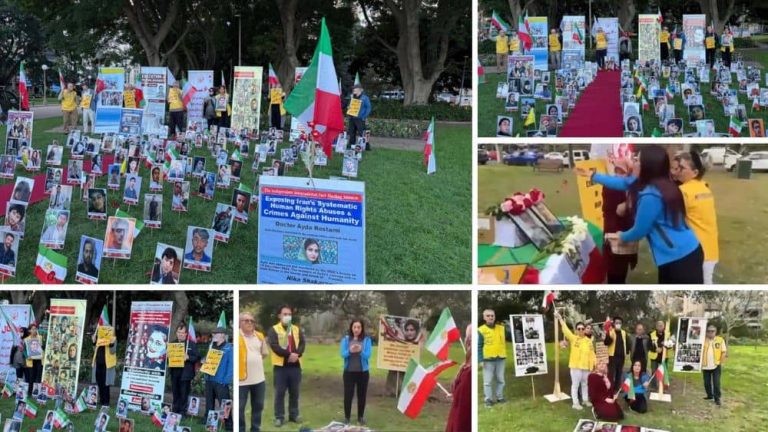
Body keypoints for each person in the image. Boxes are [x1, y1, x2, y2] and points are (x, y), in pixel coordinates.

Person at [577, 145, 704, 283]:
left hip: (681, 258)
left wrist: (621, 236)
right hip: (684, 250)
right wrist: (594, 176)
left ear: (647, 166)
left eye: (637, 160)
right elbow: (621, 182)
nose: (633, 163)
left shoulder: (651, 195)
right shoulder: (661, 182)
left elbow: (639, 230)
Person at [672, 151, 719, 284]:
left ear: (695, 172)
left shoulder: (684, 191)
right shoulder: (704, 187)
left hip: (697, 251)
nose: (677, 171)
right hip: (711, 248)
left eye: (682, 168)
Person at [267, 305, 306, 427]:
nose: (287, 316)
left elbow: (302, 343)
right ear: (279, 315)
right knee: (280, 393)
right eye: (285, 314)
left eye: (289, 314)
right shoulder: (274, 330)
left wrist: (297, 354)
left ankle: (294, 415)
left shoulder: (296, 329)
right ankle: (279, 417)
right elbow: (274, 346)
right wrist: (289, 354)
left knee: (295, 392)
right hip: (281, 367)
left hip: (295, 366)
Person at [602, 157, 637, 283]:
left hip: (626, 233)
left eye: (622, 172)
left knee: (621, 270)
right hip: (614, 232)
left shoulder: (630, 187)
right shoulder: (612, 186)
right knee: (615, 270)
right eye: (617, 171)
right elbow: (618, 210)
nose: (619, 175)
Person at [555, 311, 595, 410]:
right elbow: (565, 330)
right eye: (579, 329)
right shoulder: (573, 338)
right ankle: (575, 403)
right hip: (576, 367)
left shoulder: (589, 341)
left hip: (586, 367)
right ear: (576, 330)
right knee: (575, 385)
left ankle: (585, 400)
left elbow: (592, 354)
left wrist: (594, 365)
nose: (581, 330)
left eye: (582, 328)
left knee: (585, 384)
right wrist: (560, 319)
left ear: (585, 330)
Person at [239, 312, 269, 432]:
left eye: (252, 321)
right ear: (240, 322)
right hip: (241, 381)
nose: (250, 323)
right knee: (239, 408)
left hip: (259, 379)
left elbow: (265, 353)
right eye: (246, 320)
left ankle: (255, 429)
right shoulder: (237, 336)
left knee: (258, 406)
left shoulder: (259, 336)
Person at [340, 319, 372, 425]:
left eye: (359, 327)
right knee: (348, 395)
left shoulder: (367, 340)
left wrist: (360, 351)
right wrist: (350, 351)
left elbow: (368, 355)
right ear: (351, 328)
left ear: (362, 328)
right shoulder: (345, 339)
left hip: (363, 373)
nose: (356, 329)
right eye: (354, 327)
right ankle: (347, 418)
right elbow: (342, 354)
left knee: (362, 395)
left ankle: (360, 417)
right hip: (349, 372)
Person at [204, 325, 233, 431]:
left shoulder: (229, 348)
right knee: (209, 403)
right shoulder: (211, 346)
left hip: (221, 381)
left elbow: (231, 366)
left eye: (216, 333)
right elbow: (206, 360)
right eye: (213, 333)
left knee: (225, 405)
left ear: (223, 335)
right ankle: (210, 424)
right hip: (209, 379)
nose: (214, 335)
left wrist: (225, 380)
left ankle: (229, 425)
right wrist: (204, 361)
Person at [445, 324, 471, 432]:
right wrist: (455, 396)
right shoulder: (466, 366)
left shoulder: (469, 373)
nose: (466, 340)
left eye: (468, 337)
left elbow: (464, 411)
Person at [169, 324, 201, 414]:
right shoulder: (173, 344)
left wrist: (188, 357)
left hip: (185, 374)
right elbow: (169, 358)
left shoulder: (191, 344)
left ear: (186, 334)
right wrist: (169, 356)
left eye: (182, 333)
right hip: (175, 372)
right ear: (176, 333)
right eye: (179, 332)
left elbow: (198, 357)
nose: (180, 334)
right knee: (175, 393)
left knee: (184, 394)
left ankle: (182, 412)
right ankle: (175, 410)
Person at [477, 309, 506, 407]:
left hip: (501, 358)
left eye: (492, 315)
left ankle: (500, 397)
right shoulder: (481, 330)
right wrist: (480, 360)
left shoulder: (501, 328)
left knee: (501, 380)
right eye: (488, 316)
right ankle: (488, 400)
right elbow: (479, 346)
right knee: (487, 381)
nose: (490, 317)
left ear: (494, 317)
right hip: (488, 360)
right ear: (484, 317)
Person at [91, 324, 117, 406]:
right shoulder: (99, 339)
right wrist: (93, 342)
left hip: (107, 365)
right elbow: (95, 350)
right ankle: (101, 400)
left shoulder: (113, 339)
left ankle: (106, 402)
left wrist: (112, 344)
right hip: (98, 364)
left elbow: (113, 351)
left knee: (106, 384)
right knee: (99, 383)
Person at [702, 324, 727, 406]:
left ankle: (717, 398)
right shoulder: (703, 340)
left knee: (716, 383)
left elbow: (723, 352)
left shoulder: (720, 340)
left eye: (712, 331)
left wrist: (721, 362)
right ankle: (709, 395)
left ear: (715, 332)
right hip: (705, 365)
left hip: (716, 365)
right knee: (706, 383)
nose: (710, 333)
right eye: (708, 331)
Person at [604, 316, 630, 392]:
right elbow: (606, 343)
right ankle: (610, 388)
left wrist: (627, 351)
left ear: (621, 324)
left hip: (621, 356)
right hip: (612, 356)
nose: (618, 324)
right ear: (614, 324)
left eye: (620, 323)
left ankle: (617, 387)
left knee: (619, 372)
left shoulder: (624, 333)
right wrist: (608, 334)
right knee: (611, 373)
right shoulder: (611, 331)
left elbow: (627, 343)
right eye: (617, 323)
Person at [346, 84, 372, 149]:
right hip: (352, 118)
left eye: (355, 88)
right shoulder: (352, 97)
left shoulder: (365, 98)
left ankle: (366, 146)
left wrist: (364, 116)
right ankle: (351, 145)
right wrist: (348, 107)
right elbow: (350, 106)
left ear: (360, 90)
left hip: (360, 118)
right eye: (353, 88)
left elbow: (368, 108)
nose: (354, 89)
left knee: (362, 132)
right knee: (351, 132)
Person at [649, 320, 670, 391]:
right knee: (654, 372)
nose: (660, 327)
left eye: (662, 325)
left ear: (664, 326)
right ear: (656, 326)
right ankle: (653, 387)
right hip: (654, 356)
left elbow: (670, 344)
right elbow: (649, 345)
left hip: (664, 356)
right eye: (659, 325)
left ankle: (664, 387)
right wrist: (655, 349)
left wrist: (664, 347)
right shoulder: (651, 334)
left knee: (664, 372)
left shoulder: (668, 334)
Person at [24, 323, 43, 396]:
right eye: (33, 329)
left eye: (35, 329)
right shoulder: (26, 339)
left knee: (38, 376)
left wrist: (41, 345)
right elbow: (24, 351)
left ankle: (37, 393)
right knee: (31, 377)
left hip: (39, 360)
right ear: (29, 331)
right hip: (31, 361)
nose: (35, 330)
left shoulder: (40, 337)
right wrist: (26, 356)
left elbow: (42, 348)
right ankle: (29, 393)